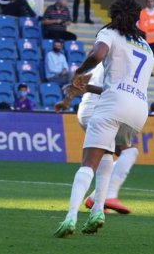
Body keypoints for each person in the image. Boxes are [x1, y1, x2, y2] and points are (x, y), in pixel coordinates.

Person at [53, 0, 153, 237]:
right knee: (108, 153)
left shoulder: (110, 32)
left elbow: (97, 54)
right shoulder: (146, 45)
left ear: (114, 14)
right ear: (137, 18)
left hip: (113, 104)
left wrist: (79, 72)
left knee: (89, 163)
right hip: (139, 110)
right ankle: (98, 209)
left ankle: (70, 217)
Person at [54, 61, 136, 216]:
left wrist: (65, 102)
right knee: (129, 152)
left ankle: (97, 200)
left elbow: (79, 82)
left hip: (87, 111)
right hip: (98, 112)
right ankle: (107, 196)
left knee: (108, 155)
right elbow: (112, 90)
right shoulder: (120, 62)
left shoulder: (104, 61)